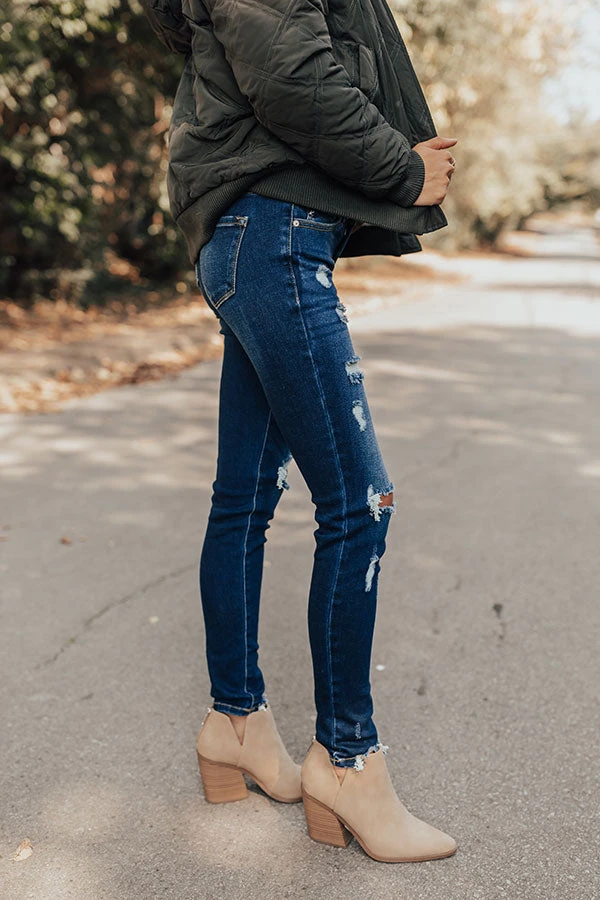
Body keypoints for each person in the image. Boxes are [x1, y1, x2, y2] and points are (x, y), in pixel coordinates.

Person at [142, 0, 457, 862]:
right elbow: (289, 73)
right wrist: (402, 169)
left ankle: (235, 726)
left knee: (244, 497)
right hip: (274, 237)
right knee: (362, 502)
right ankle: (348, 764)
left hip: (261, 233)